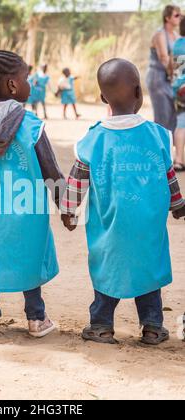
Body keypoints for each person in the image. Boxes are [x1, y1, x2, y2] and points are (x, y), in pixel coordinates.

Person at [61, 58, 185, 346]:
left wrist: (69, 210)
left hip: (110, 231)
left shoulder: (93, 139)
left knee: (108, 274)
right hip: (148, 230)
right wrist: (177, 204)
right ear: (140, 93)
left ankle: (102, 326)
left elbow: (77, 179)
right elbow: (168, 175)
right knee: (148, 274)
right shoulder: (157, 135)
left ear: (104, 97)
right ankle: (153, 327)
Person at [0, 50, 67, 338]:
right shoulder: (31, 125)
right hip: (24, 209)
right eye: (26, 78)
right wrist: (66, 206)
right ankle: (36, 318)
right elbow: (51, 171)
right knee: (29, 257)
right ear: (12, 86)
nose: (30, 83)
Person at [146, 4, 181, 132]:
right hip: (157, 77)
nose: (179, 18)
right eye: (176, 15)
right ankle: (159, 148)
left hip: (171, 78)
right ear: (167, 18)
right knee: (163, 115)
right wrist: (177, 77)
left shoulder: (176, 36)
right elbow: (164, 58)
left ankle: (169, 147)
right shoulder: (160, 34)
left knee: (173, 115)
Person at [172, 16, 185, 171]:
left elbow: (173, 66)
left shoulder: (177, 44)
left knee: (181, 123)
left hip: (179, 87)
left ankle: (179, 160)